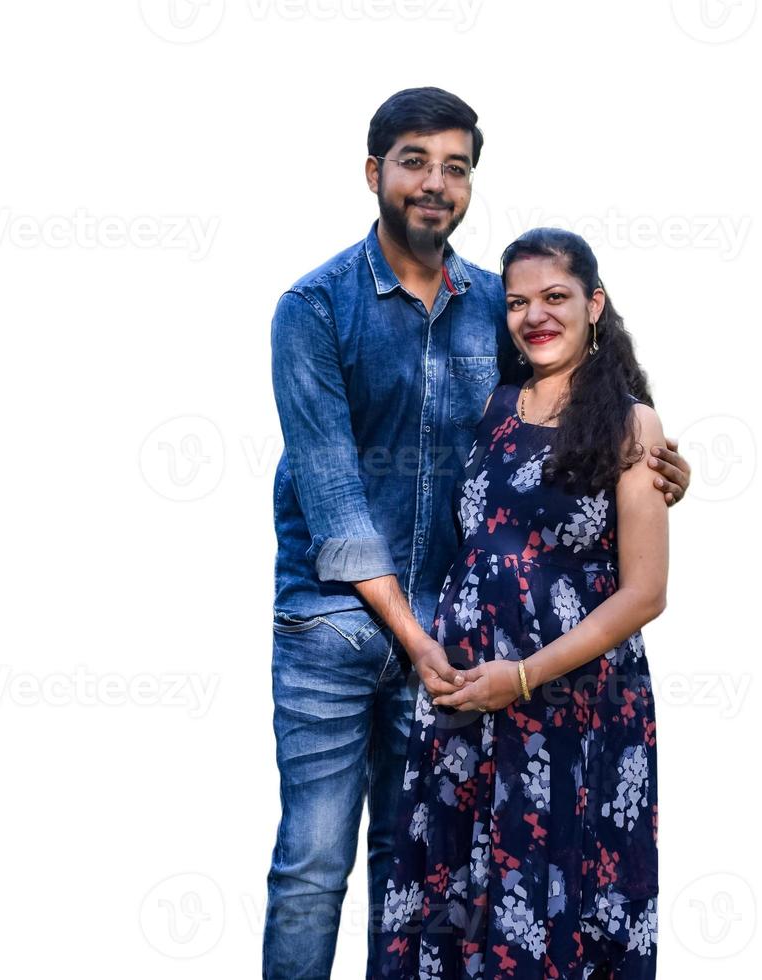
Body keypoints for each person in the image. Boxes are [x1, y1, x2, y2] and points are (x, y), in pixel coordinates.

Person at [264, 87, 689, 980]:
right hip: (342, 634)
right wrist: (421, 646)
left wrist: (651, 467)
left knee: (415, 874)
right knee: (313, 872)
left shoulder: (498, 305)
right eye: (414, 161)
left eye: (455, 166)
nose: (435, 182)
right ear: (373, 172)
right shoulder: (313, 310)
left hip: (471, 656)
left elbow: (564, 427)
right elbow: (336, 510)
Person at [374, 227, 665, 979]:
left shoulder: (632, 423)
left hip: (567, 702)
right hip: (465, 698)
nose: (535, 315)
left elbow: (645, 592)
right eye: (518, 303)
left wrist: (526, 676)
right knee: (457, 895)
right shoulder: (493, 404)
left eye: (556, 298)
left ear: (595, 304)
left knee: (546, 892)